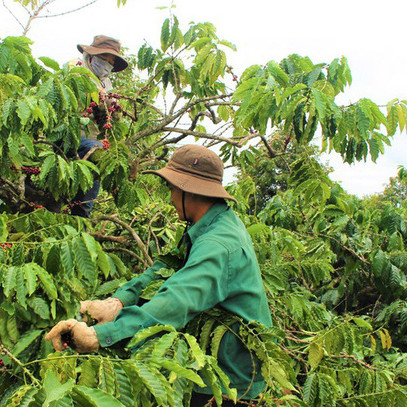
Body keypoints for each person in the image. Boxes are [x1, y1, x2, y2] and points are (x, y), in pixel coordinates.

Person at [46, 144, 272, 406]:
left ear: (189, 190)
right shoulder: (209, 223)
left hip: (232, 383)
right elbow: (165, 269)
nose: (171, 198)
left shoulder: (218, 246)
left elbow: (176, 301)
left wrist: (99, 336)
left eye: (172, 189)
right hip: (212, 367)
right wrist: (116, 302)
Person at [71, 35, 128, 217]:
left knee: (101, 153)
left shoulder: (106, 81)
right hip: (72, 134)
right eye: (104, 59)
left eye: (110, 62)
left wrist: (113, 110)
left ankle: (81, 214)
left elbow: (111, 112)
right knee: (99, 155)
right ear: (93, 55)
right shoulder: (76, 69)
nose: (107, 65)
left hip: (92, 138)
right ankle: (82, 212)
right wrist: (98, 97)